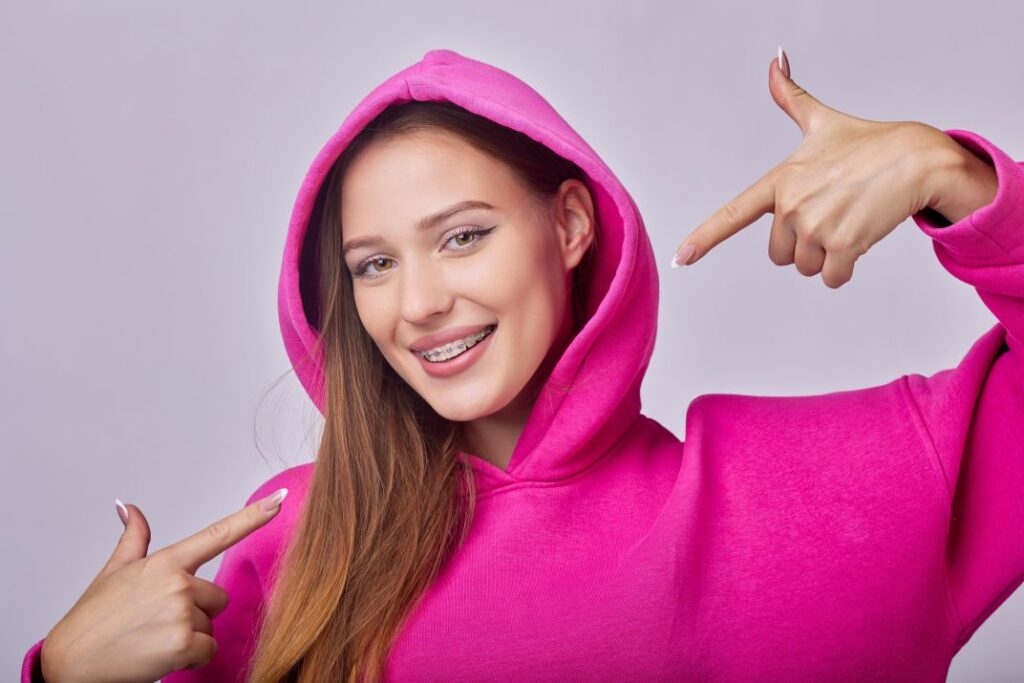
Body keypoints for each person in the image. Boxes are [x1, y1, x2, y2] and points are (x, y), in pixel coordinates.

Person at [22, 47, 1023, 682]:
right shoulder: (298, 549)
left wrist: (959, 178)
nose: (416, 303)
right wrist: (59, 677)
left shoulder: (822, 485)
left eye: (461, 237)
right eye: (373, 264)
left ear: (571, 223)